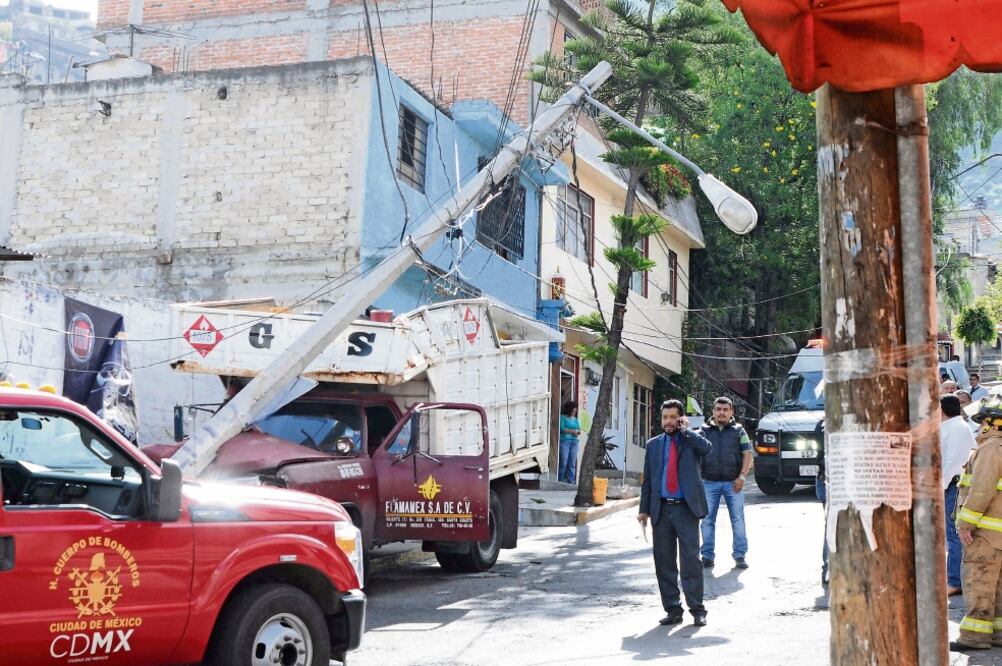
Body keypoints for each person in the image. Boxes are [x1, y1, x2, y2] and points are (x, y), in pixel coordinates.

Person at [638, 399, 712, 627]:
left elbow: (706, 448)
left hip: (685, 509)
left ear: (680, 419)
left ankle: (697, 610)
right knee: (664, 562)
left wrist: (686, 430)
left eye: (673, 417)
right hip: (661, 510)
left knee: (691, 561)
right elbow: (648, 480)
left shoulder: (691, 441)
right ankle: (673, 609)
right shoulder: (653, 445)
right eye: (665, 417)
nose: (668, 422)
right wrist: (643, 509)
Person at [951, 399, 1002, 652]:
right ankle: (997, 634)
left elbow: (982, 489)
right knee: (998, 586)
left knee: (979, 581)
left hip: (985, 533)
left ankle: (974, 637)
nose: (980, 426)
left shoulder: (992, 447)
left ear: (993, 422)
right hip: (998, 533)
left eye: (983, 421)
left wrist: (965, 523)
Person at [697, 397, 753, 569]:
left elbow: (748, 454)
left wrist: (742, 477)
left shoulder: (739, 431)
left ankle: (740, 555)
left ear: (731, 412)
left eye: (725, 409)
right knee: (706, 520)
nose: (721, 412)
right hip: (708, 483)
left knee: (737, 520)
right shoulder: (703, 431)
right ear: (713, 411)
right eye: (718, 409)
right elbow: (694, 453)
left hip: (733, 483)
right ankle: (707, 556)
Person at [941, 394, 977, 596]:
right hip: (950, 484)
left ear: (942, 409)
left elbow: (953, 460)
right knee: (951, 535)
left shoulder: (956, 428)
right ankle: (954, 578)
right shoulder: (952, 426)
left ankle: (955, 581)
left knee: (954, 534)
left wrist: (940, 484)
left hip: (954, 484)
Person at [558, 401, 582, 484]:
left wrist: (577, 432)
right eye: (573, 411)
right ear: (569, 410)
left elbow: (579, 429)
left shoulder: (575, 419)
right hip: (564, 441)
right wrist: (572, 431)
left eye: (575, 411)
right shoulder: (563, 417)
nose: (574, 413)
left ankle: (570, 479)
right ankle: (560, 479)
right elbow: (562, 429)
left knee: (572, 462)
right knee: (563, 461)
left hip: (574, 442)